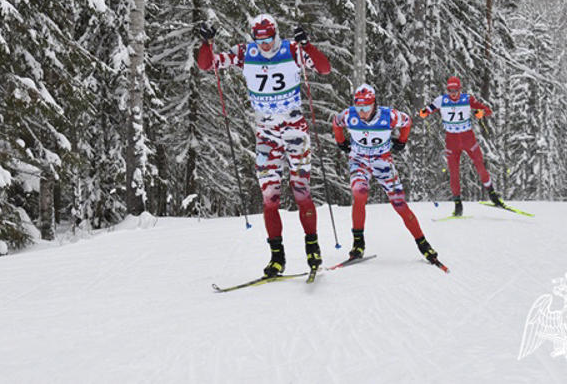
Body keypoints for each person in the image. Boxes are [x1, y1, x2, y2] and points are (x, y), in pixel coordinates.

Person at [197, 14, 331, 277]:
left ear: (276, 34)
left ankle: (312, 249)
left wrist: (307, 46)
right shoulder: (246, 53)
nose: (265, 45)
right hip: (267, 135)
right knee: (270, 198)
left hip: (295, 131)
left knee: (301, 190)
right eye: (260, 40)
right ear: (253, 38)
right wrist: (207, 43)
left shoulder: (291, 49)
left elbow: (324, 68)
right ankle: (277, 258)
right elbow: (207, 65)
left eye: (269, 39)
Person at [332, 84, 440, 265]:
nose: (362, 112)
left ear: (374, 104)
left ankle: (423, 244)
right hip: (359, 161)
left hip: (382, 161)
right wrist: (341, 142)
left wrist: (402, 141)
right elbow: (336, 122)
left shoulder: (388, 116)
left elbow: (407, 122)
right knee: (359, 193)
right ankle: (358, 243)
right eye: (359, 108)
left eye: (366, 108)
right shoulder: (349, 115)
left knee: (399, 204)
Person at [418, 76, 505, 216]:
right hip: (451, 141)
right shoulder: (442, 100)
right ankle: (458, 205)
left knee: (479, 165)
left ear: (460, 89)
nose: (453, 93)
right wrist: (424, 112)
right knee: (454, 172)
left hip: (467, 138)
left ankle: (493, 195)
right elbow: (429, 108)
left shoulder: (467, 99)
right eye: (450, 90)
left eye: (456, 90)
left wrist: (482, 113)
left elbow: (487, 110)